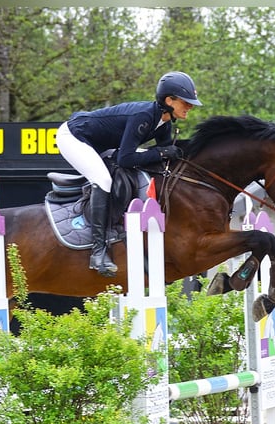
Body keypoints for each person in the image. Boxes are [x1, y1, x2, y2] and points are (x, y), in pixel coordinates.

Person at [56, 71, 203, 277]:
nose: (190, 106)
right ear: (169, 100)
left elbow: (165, 159)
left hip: (101, 143)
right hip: (74, 136)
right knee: (103, 180)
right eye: (186, 102)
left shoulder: (164, 123)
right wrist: (160, 152)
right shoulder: (143, 117)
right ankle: (98, 252)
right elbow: (126, 159)